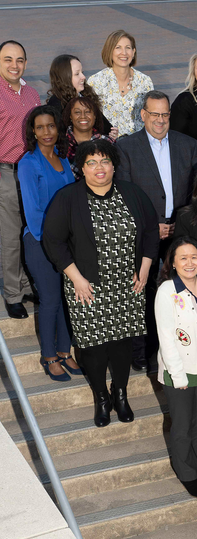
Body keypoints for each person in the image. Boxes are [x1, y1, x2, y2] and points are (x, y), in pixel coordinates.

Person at [44, 139, 158, 426]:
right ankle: (101, 397)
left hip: (127, 285)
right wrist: (77, 279)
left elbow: (151, 232)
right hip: (86, 286)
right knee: (93, 348)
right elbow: (53, 241)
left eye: (104, 161)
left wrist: (144, 267)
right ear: (81, 168)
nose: (99, 168)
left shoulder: (132, 193)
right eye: (91, 162)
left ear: (113, 165)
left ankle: (121, 393)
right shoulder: (67, 198)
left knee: (121, 344)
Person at [117, 90, 197, 370]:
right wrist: (152, 226)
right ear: (144, 115)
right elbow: (125, 193)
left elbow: (195, 190)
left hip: (180, 232)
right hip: (145, 233)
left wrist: (184, 220)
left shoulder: (188, 144)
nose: (161, 120)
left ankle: (178, 348)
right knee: (143, 292)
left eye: (165, 114)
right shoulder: (126, 147)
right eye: (155, 114)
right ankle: (143, 352)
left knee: (178, 293)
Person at [154, 236, 197, 497]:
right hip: (179, 372)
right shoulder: (167, 291)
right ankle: (187, 472)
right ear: (172, 262)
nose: (189, 262)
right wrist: (177, 373)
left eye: (194, 256)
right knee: (182, 426)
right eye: (183, 258)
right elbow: (167, 336)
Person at [17, 106, 77, 381]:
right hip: (41, 242)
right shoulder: (29, 162)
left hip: (65, 242)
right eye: (39, 127)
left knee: (67, 298)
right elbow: (33, 211)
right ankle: (49, 355)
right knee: (51, 299)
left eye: (50, 126)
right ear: (32, 131)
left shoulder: (63, 159)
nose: (46, 132)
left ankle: (65, 351)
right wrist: (56, 243)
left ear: (58, 128)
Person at [0, 40, 40, 319]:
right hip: (5, 171)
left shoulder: (31, 93)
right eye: (7, 59)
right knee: (10, 236)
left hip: (30, 171)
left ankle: (26, 285)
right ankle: (12, 294)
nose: (14, 65)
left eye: (19, 60)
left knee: (29, 231)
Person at [87, 30, 153, 137]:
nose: (124, 53)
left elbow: (150, 116)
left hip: (137, 144)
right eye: (118, 47)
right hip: (107, 144)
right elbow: (89, 117)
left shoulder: (145, 81)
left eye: (128, 48)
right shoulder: (95, 81)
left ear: (133, 51)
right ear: (110, 51)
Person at [46, 53, 113, 134]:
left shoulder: (85, 96)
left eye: (82, 72)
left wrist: (111, 133)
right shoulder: (57, 104)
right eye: (77, 74)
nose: (83, 77)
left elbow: (103, 125)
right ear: (64, 77)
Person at [63, 95, 115, 179]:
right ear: (70, 116)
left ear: (94, 116)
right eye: (77, 112)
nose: (83, 116)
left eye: (88, 112)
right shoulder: (60, 145)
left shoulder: (108, 143)